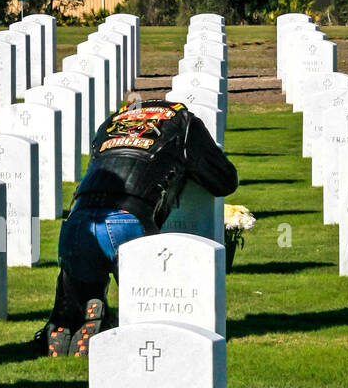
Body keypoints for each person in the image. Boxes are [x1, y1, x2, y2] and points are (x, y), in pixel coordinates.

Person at [38, 96, 238, 357]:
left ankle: (78, 311)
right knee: (153, 314)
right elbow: (224, 181)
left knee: (82, 280)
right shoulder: (184, 121)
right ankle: (103, 322)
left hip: (78, 222)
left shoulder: (111, 123)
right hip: (129, 217)